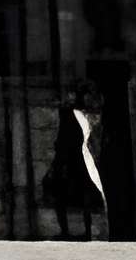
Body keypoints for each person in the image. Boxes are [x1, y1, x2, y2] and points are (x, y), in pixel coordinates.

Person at [42, 82, 108, 241]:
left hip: (75, 158)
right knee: (63, 193)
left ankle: (83, 232)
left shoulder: (75, 114)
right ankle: (75, 231)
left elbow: (68, 138)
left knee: (78, 193)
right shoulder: (74, 113)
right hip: (73, 158)